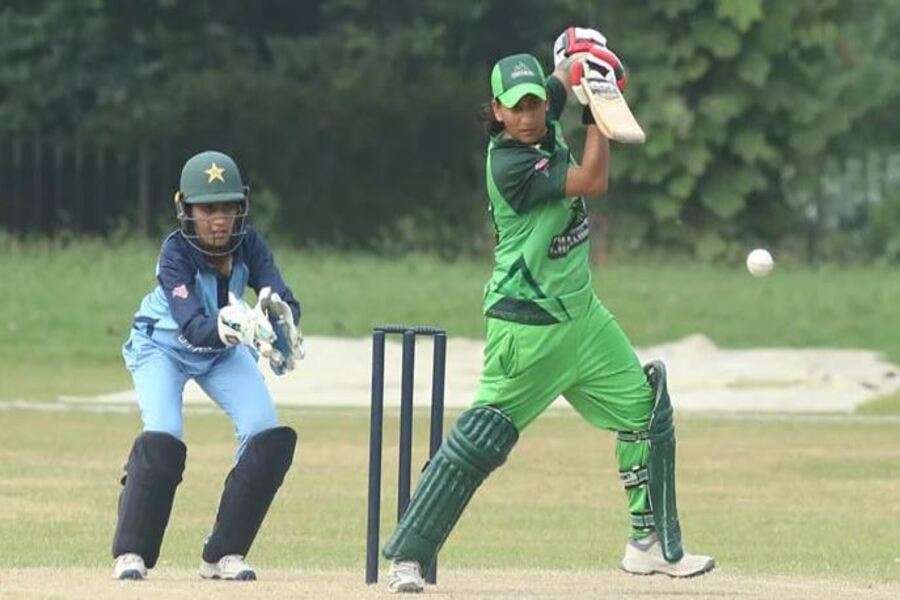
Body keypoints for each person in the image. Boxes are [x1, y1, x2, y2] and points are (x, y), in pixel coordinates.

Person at [381, 28, 715, 592]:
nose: (529, 117)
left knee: (645, 413)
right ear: (496, 111)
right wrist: (598, 111)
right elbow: (594, 180)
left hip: (584, 317)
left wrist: (581, 60)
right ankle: (407, 558)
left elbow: (563, 77)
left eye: (535, 103)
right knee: (482, 440)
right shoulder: (509, 163)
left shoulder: (543, 107)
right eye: (515, 108)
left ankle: (649, 545)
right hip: (526, 326)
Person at [111, 150, 304, 581]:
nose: (219, 220)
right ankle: (131, 552)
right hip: (162, 347)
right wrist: (240, 326)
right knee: (164, 436)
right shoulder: (174, 253)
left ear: (241, 208)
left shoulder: (250, 243)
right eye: (207, 210)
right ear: (187, 210)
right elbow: (194, 327)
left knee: (267, 435)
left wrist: (283, 327)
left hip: (221, 352)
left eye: (228, 208)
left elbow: (280, 297)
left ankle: (224, 552)